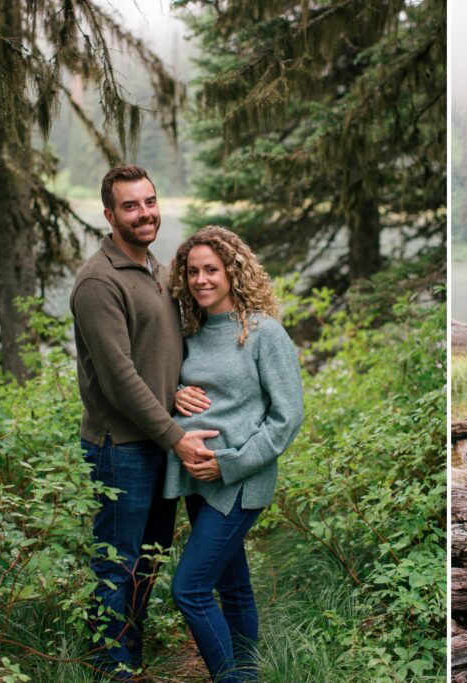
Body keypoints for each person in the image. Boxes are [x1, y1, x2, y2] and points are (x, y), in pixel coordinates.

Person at [71, 165, 220, 680]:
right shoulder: (98, 282)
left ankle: (127, 655)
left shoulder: (156, 268)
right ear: (110, 215)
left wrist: (176, 390)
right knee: (119, 563)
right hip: (123, 448)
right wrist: (177, 436)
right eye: (130, 206)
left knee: (149, 559)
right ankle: (111, 667)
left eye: (150, 202)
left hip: (156, 442)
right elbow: (118, 379)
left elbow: (152, 356)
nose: (144, 213)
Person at [163, 226, 305, 682]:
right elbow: (188, 386)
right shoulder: (192, 330)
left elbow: (287, 418)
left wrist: (229, 463)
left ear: (233, 271)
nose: (201, 279)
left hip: (240, 481)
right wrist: (178, 392)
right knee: (232, 582)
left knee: (189, 588)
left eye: (211, 270)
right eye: (193, 272)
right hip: (195, 478)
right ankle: (248, 671)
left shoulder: (264, 333)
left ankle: (231, 679)